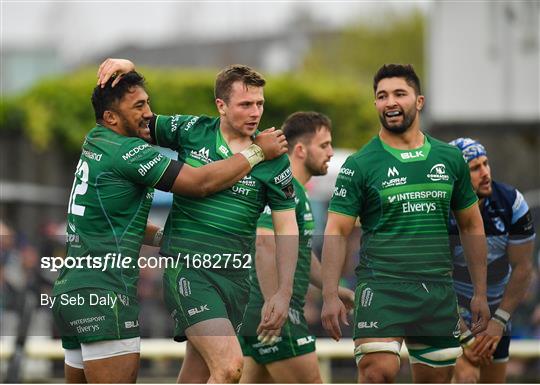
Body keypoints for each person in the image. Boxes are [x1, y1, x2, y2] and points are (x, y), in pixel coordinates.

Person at [52, 70, 287, 383]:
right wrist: (257, 152)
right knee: (230, 367)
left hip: (72, 289)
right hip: (105, 292)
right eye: (139, 107)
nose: (148, 114)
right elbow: (200, 183)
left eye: (147, 103)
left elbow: (124, 220)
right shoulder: (129, 153)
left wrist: (168, 235)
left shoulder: (96, 140)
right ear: (111, 117)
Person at [320, 64, 491, 383]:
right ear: (376, 104)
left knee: (437, 379)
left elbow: (471, 225)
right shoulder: (360, 164)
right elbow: (337, 230)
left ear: (419, 101)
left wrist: (479, 291)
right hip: (382, 287)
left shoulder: (449, 158)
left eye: (400, 93)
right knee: (377, 372)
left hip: (437, 290)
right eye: (382, 96)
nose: (390, 102)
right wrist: (330, 294)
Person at [238, 111, 355, 383]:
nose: (330, 152)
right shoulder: (284, 186)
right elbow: (263, 241)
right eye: (324, 145)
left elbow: (302, 254)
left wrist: (332, 289)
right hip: (275, 313)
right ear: (300, 150)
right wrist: (273, 302)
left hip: (263, 311)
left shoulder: (299, 192)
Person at [448, 138, 536, 383]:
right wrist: (465, 337)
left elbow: (523, 268)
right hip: (450, 313)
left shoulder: (512, 202)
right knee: (467, 377)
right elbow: (435, 280)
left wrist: (499, 321)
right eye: (475, 168)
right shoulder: (442, 210)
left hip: (495, 313)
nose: (485, 173)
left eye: (486, 164)